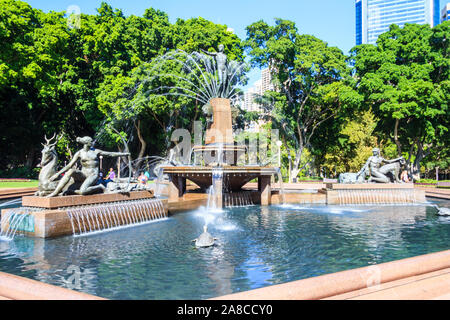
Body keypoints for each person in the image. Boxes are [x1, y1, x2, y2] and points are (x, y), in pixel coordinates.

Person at [47, 136, 129, 197]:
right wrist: (57, 174)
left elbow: (110, 154)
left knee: (83, 192)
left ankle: (99, 187)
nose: (92, 143)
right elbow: (69, 165)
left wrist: (124, 154)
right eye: (91, 142)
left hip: (93, 175)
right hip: (83, 174)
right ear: (86, 143)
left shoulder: (96, 151)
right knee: (71, 171)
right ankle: (55, 192)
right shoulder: (80, 153)